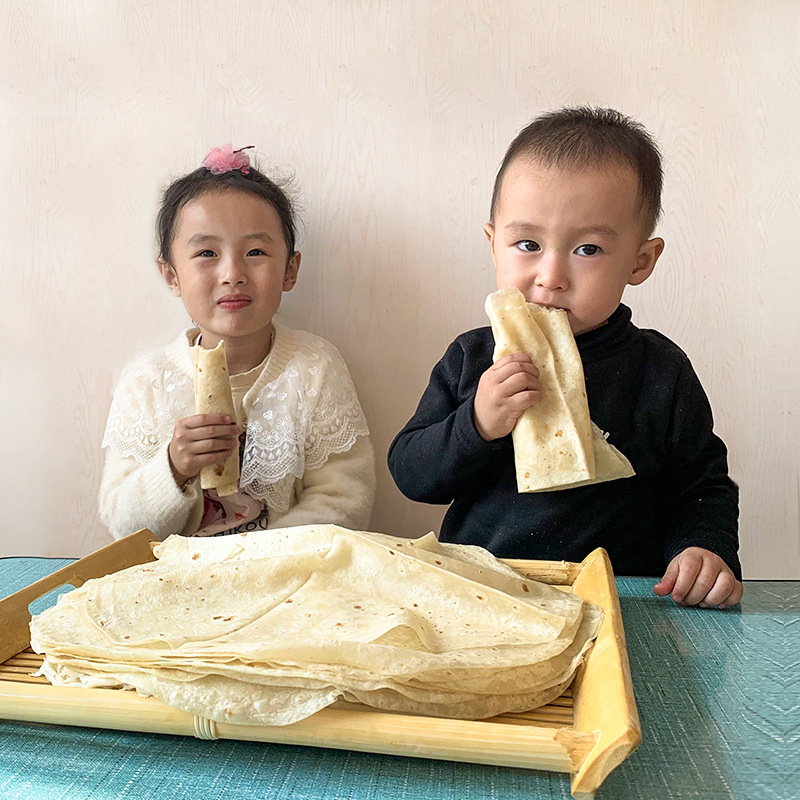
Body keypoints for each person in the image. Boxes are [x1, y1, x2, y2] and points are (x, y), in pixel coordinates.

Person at [388, 108, 742, 609]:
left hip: (625, 598)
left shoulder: (659, 369)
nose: (551, 275)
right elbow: (411, 474)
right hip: (487, 591)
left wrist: (704, 548)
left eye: (589, 249)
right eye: (528, 244)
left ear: (640, 261)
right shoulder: (473, 358)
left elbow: (701, 484)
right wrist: (478, 423)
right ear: (494, 246)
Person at [100, 144, 375, 540]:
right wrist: (173, 467)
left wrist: (258, 560)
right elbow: (123, 528)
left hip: (285, 575)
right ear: (172, 275)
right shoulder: (146, 381)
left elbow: (345, 499)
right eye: (207, 252)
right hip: (174, 579)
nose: (233, 273)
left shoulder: (313, 367)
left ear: (290, 270)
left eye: (256, 251)